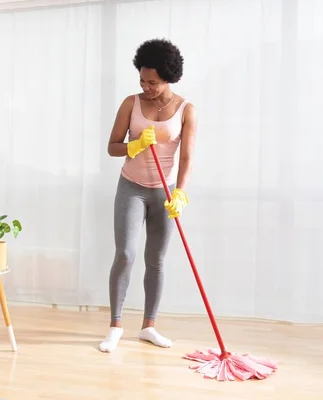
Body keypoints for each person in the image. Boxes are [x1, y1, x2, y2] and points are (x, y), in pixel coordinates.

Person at [99, 39, 197, 352]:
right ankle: (115, 326)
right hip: (131, 187)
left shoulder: (186, 110)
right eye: (142, 80)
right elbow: (112, 146)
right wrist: (135, 145)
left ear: (169, 77)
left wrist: (180, 192)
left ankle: (148, 326)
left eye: (152, 82)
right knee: (125, 254)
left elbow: (186, 157)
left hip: (164, 193)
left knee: (155, 260)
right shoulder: (131, 103)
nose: (146, 86)